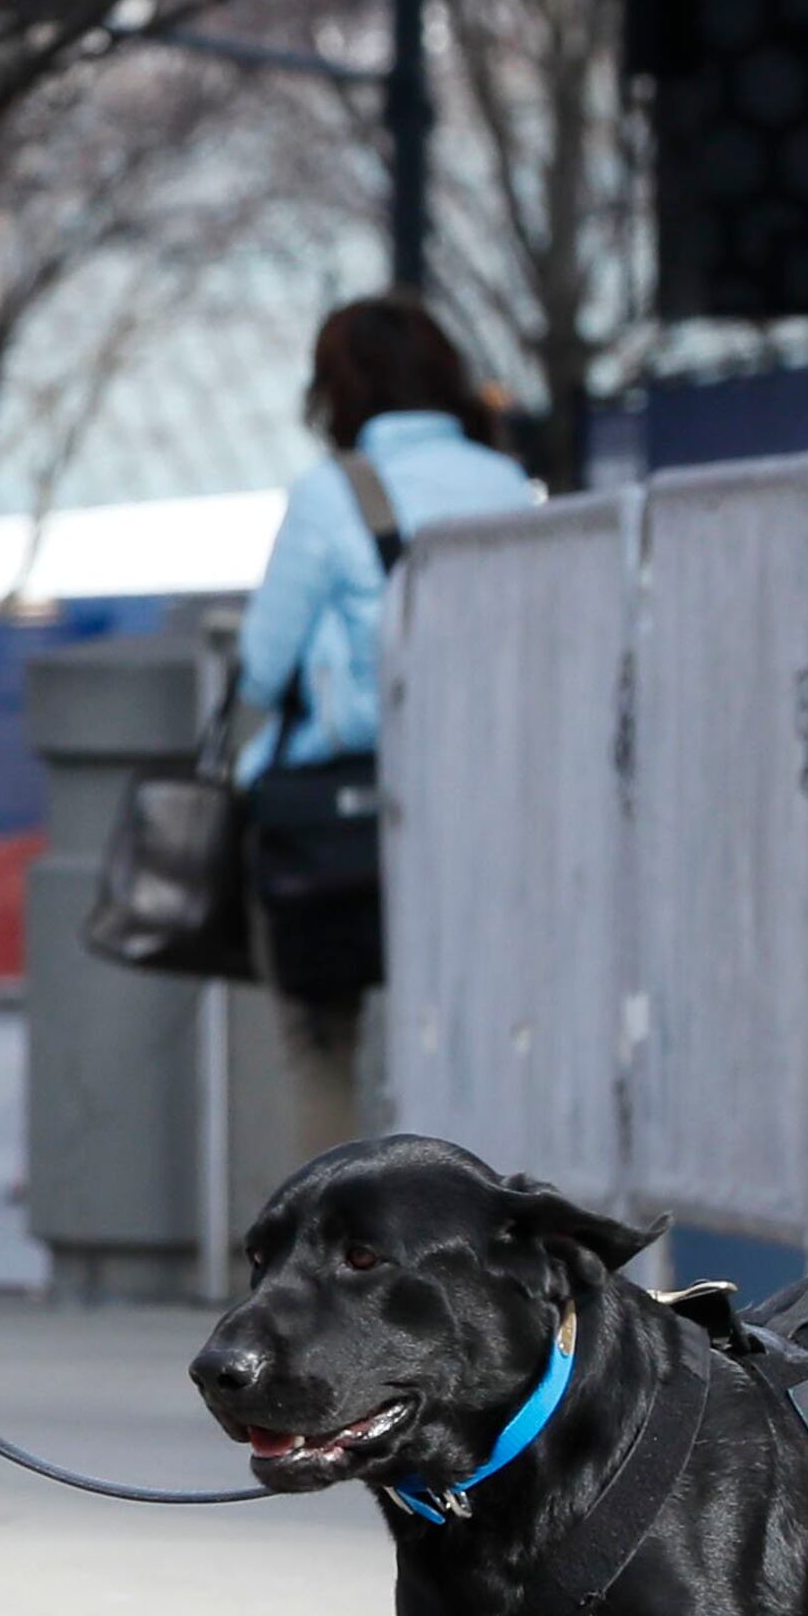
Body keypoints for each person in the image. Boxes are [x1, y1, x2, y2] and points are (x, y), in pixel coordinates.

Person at [234, 293, 539, 1158]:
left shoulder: (333, 493)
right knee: (464, 1032)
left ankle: (328, 1268)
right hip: (485, 802)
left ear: (338, 389)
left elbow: (264, 660)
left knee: (321, 1039)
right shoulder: (508, 487)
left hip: (345, 815)